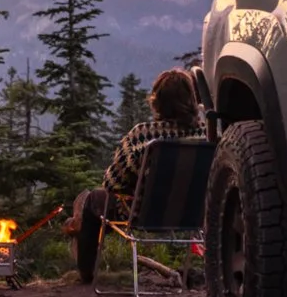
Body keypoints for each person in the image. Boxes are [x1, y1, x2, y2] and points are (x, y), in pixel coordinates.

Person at [67, 68, 202, 284]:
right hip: (191, 214)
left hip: (140, 212)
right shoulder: (204, 134)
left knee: (93, 198)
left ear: (157, 101)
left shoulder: (143, 135)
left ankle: (86, 275)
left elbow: (112, 183)